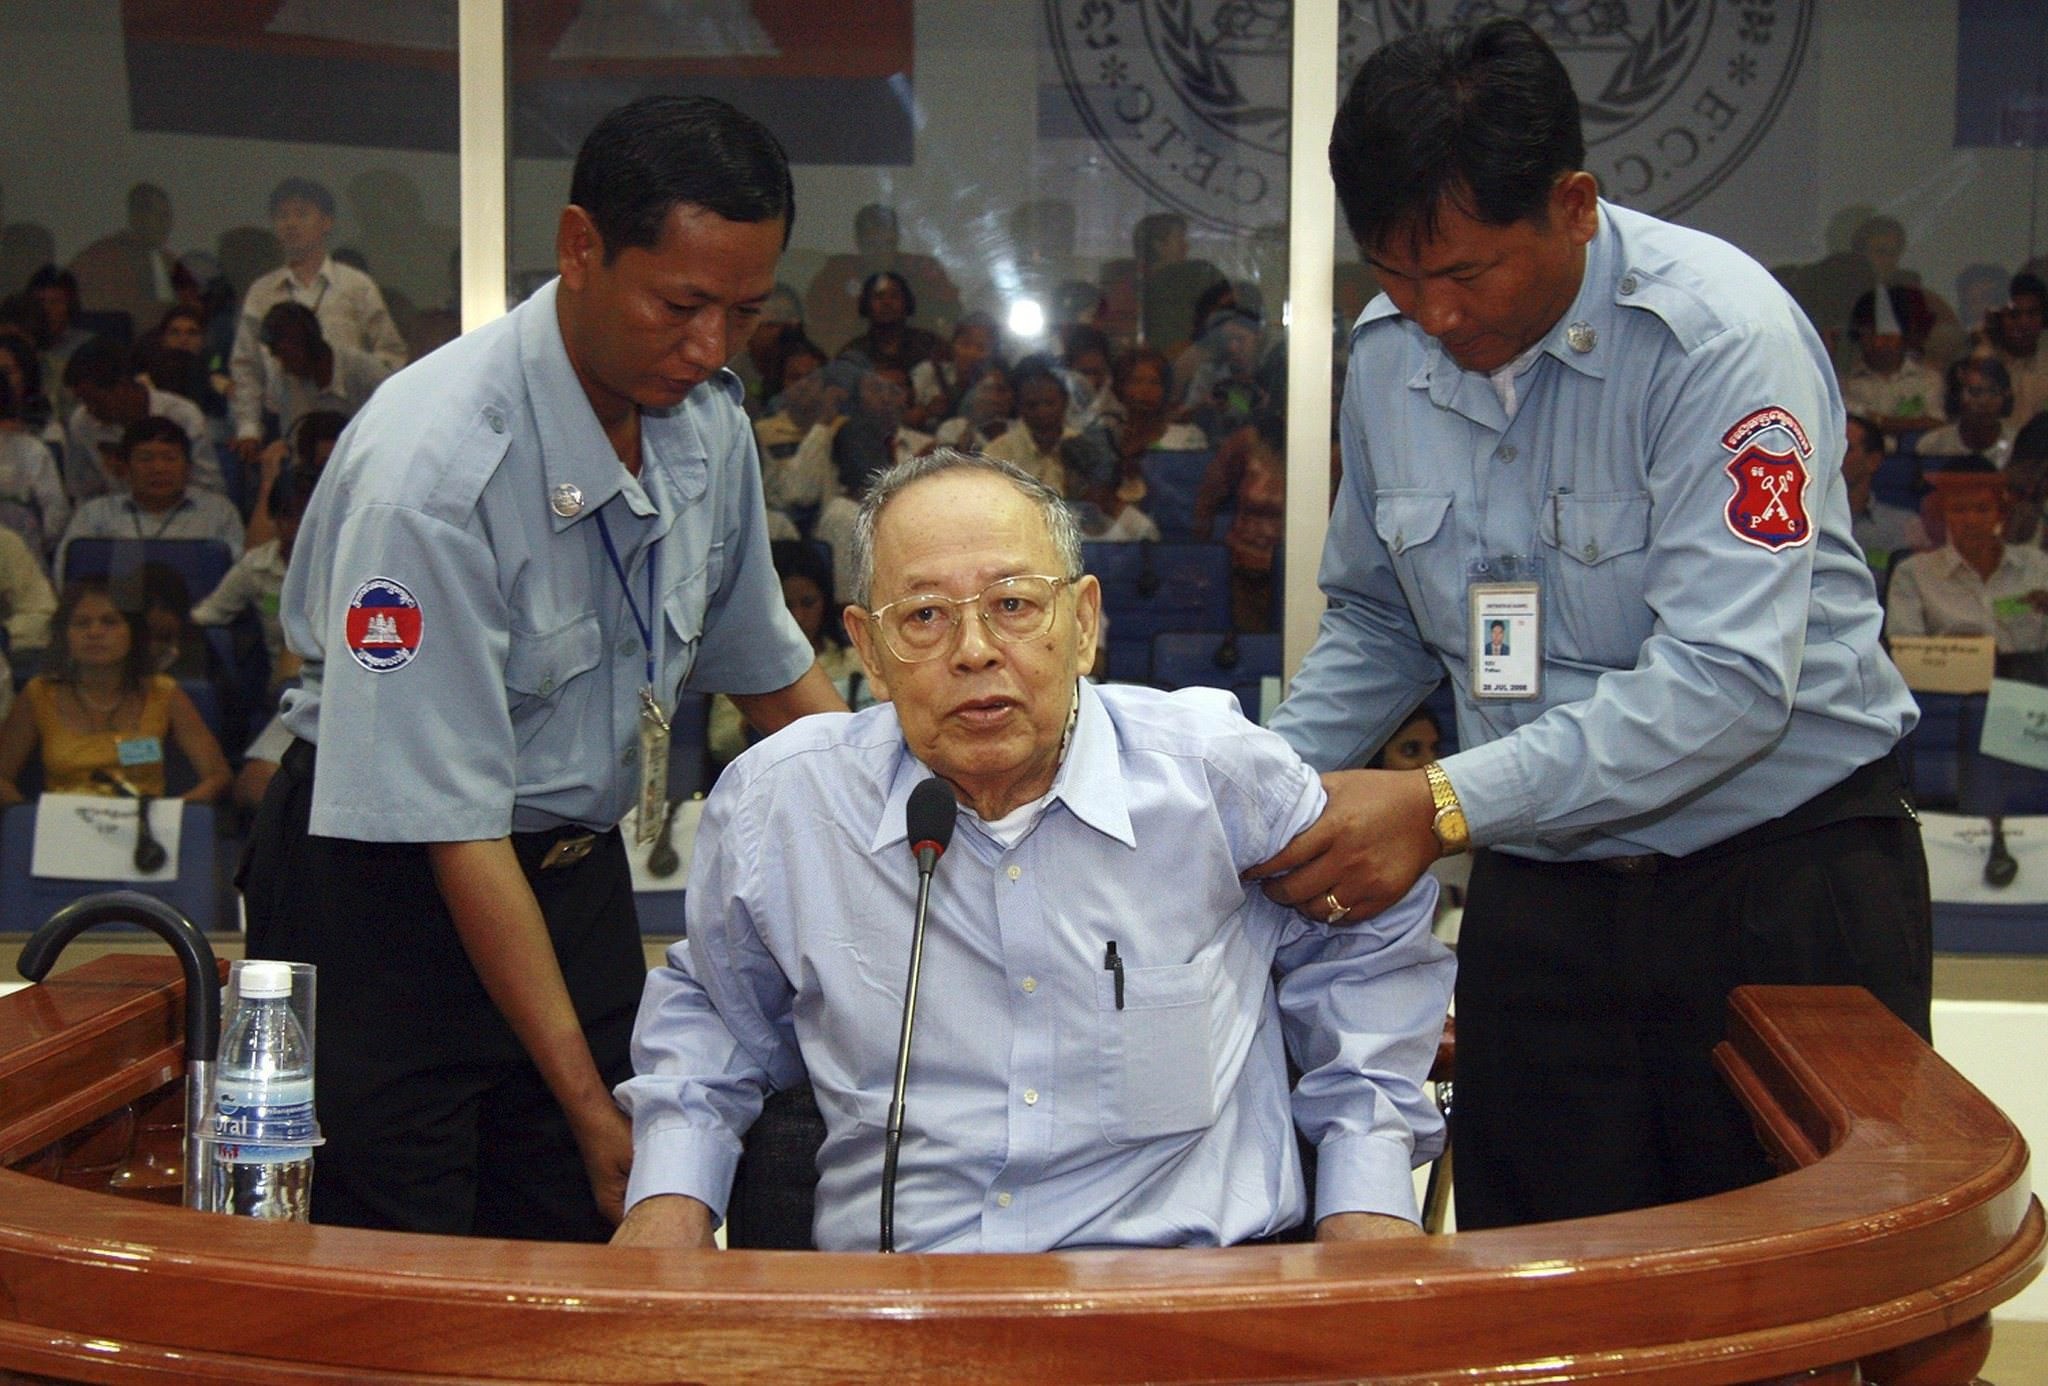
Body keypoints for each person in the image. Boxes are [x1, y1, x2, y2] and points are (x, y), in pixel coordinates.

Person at [1254, 18, 1928, 1232]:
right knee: (1537, 1286)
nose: (1435, 315)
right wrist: (1267, 793)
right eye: (1395, 275)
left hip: (1777, 883)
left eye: (1463, 273)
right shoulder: (1384, 353)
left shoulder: (1718, 342)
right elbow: (1376, 619)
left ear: (1571, 204)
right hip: (1545, 888)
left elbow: (1724, 683)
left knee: (1788, 1295)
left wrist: (1436, 805)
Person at [237, 94, 846, 1243]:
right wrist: (584, 1105)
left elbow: (773, 679)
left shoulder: (700, 423)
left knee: (578, 1246)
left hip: (567, 881)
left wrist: (928, 819)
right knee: (405, 1270)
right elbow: (452, 825)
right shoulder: (437, 475)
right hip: (390, 896)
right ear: (579, 247)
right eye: (681, 305)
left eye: (743, 312)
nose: (712, 348)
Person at [612, 451, 1453, 1253]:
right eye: (926, 616)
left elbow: (1370, 933)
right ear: (869, 650)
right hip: (903, 1303)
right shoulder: (786, 806)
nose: (974, 650)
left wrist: (1365, 1193)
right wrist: (670, 1198)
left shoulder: (1213, 780)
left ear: (1083, 623)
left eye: (1014, 604)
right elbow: (716, 1017)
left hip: (1188, 1295)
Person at [0, 578, 231, 806]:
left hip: (143, 830)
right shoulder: (39, 693)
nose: (94, 632)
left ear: (133, 633)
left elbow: (218, 776)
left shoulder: (163, 692)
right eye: (81, 623)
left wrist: (169, 816)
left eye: (109, 622)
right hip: (64, 831)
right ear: (65, 636)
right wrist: (31, 821)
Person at [226, 177, 406, 466]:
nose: (291, 224)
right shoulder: (262, 291)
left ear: (326, 222)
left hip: (352, 418)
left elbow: (391, 354)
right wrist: (249, 427)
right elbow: (245, 366)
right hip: (284, 419)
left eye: (301, 214)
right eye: (282, 216)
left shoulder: (355, 285)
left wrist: (367, 398)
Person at [707, 539, 872, 770]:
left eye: (808, 603)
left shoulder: (858, 661)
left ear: (825, 600)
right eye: (786, 605)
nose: (799, 617)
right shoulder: (740, 674)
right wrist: (761, 718)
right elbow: (721, 746)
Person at [1886, 472, 2048, 677]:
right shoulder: (1913, 572)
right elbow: (1905, 655)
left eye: (1982, 509)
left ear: (2001, 515)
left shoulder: (2039, 566)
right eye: (1958, 510)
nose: (1970, 520)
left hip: (2026, 689)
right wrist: (1955, 650)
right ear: (1943, 515)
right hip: (1946, 688)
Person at [56, 418, 243, 584]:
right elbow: (66, 574)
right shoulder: (95, 514)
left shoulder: (219, 511)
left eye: (170, 458)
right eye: (145, 459)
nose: (158, 468)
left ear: (188, 467)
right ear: (126, 468)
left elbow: (239, 579)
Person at [61, 334, 227, 499]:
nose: (89, 410)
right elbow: (83, 492)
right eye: (83, 401)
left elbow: (209, 489)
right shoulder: (82, 422)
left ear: (123, 386)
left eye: (94, 400)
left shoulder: (183, 416)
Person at [254, 301, 392, 441]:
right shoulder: (284, 382)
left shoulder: (367, 373)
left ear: (307, 344)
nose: (284, 366)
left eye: (286, 354)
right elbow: (291, 443)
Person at [1839, 287, 1944, 435]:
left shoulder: (1929, 379)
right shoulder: (1843, 385)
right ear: (1858, 336)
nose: (1878, 343)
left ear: (1905, 334)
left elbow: (1936, 424)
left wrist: (1878, 421)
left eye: (1886, 335)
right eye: (1870, 334)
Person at [1842, 413, 1927, 584]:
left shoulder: (1906, 526)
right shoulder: (1795, 523)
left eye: (1845, 449)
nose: (1832, 457)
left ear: (1873, 461)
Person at [1918, 357, 2017, 468]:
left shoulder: (2017, 444)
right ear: (1956, 397)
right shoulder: (1933, 444)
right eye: (1975, 392)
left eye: (1994, 392)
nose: (1984, 402)